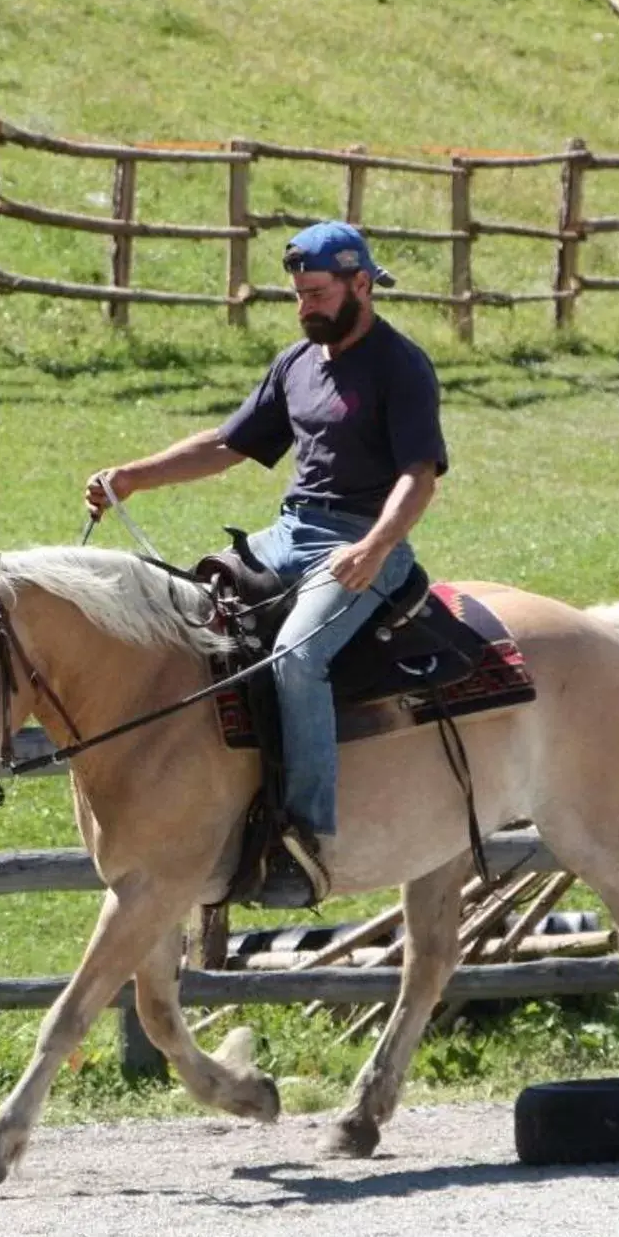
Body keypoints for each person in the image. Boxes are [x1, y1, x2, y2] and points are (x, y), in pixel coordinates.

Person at [86, 220, 447, 907]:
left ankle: (303, 832)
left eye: (316, 294)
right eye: (298, 297)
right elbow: (228, 446)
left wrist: (373, 549)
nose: (305, 307)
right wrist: (132, 476)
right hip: (289, 532)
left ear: (360, 285)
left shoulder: (400, 366)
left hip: (362, 542)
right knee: (194, 616)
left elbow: (418, 474)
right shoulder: (296, 364)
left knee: (294, 659)